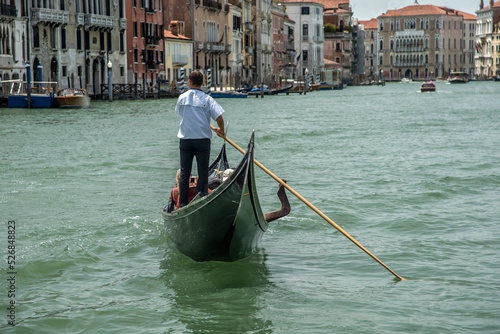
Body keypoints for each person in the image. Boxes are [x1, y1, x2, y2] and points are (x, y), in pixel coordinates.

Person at [175, 70, 225, 208]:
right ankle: (201, 197)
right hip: (202, 140)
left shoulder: (182, 98)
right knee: (203, 170)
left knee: (185, 172)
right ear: (203, 83)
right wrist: (221, 130)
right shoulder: (208, 99)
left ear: (189, 82)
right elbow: (219, 117)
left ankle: (183, 203)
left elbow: (181, 113)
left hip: (186, 140)